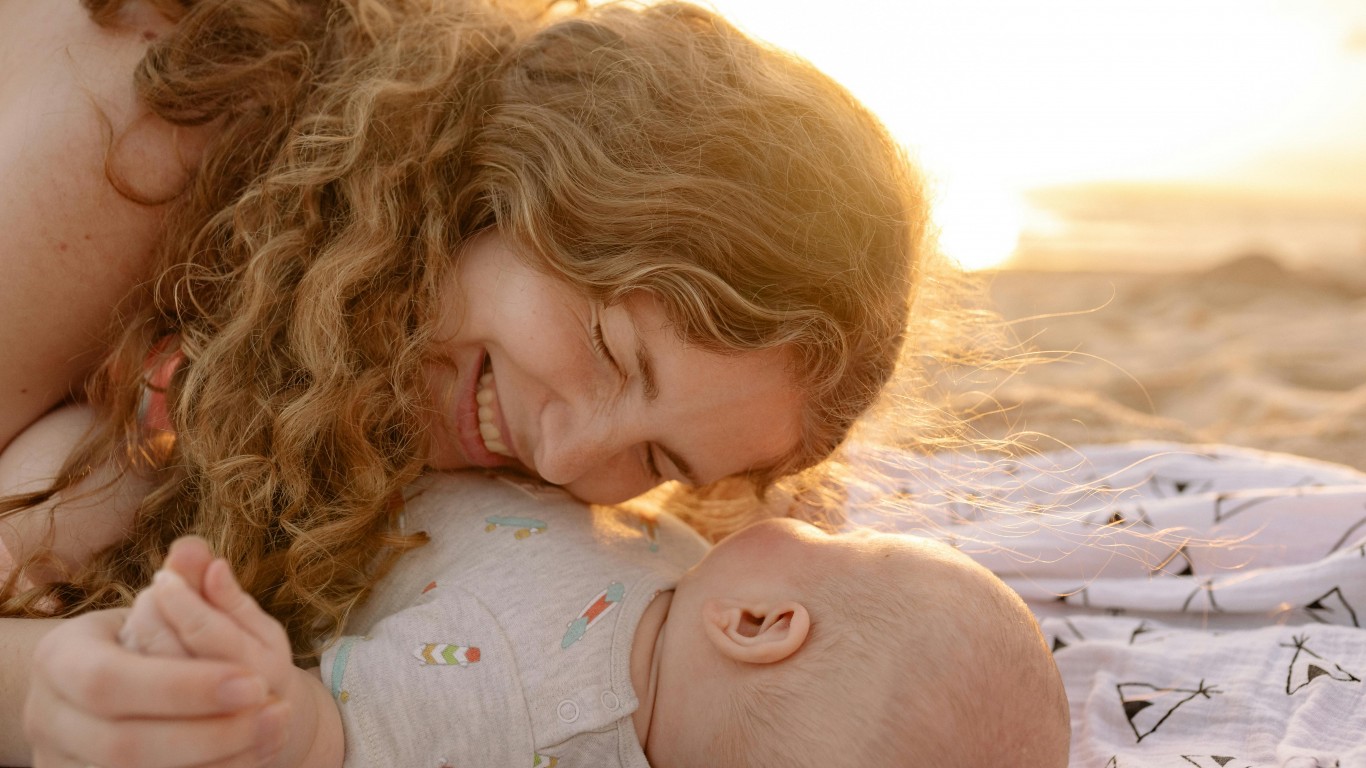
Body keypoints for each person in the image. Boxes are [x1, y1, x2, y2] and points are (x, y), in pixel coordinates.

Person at [0, 0, 982, 762]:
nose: (563, 455)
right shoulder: (153, 124)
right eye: (610, 350)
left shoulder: (346, 378)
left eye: (657, 457)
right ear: (526, 175)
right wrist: (39, 686)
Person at [101, 470, 1069, 768]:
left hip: (264, 497)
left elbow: (346, 736)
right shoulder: (685, 608)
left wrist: (264, 696)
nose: (806, 528)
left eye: (839, 551)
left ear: (764, 623)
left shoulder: (524, 709)